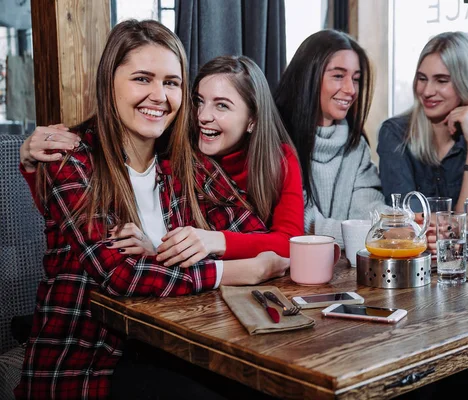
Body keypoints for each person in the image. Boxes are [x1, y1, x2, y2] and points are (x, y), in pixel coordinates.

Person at [15, 20, 288, 399]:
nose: (159, 95)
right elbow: (122, 276)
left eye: (171, 82)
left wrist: (163, 251)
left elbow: (259, 237)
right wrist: (236, 270)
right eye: (142, 79)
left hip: (178, 350)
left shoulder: (185, 164)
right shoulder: (71, 158)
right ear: (110, 82)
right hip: (86, 364)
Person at [19, 57, 304, 262]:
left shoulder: (276, 159)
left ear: (252, 119)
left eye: (222, 106)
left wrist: (213, 241)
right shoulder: (178, 149)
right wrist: (33, 167)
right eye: (198, 101)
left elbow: (291, 243)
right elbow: (71, 212)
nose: (203, 116)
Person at [273, 29, 384, 246]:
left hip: (342, 268)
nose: (351, 89)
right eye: (338, 76)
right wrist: (380, 234)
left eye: (356, 79)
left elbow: (368, 206)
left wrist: (399, 223)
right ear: (309, 76)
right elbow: (305, 225)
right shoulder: (276, 139)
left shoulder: (356, 145)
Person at [377, 31, 468, 213]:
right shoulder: (396, 133)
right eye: (422, 79)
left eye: (441, 80)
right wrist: (455, 225)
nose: (427, 91)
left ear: (467, 84)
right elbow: (408, 221)